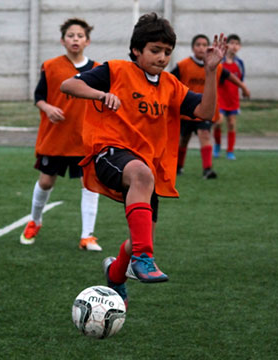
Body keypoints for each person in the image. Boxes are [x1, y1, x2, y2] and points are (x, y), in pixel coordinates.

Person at [60, 13, 227, 308]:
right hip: (110, 152)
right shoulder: (116, 70)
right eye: (155, 50)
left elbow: (205, 112)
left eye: (166, 52)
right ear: (137, 50)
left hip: (146, 167)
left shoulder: (171, 85)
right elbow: (69, 86)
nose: (162, 57)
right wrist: (101, 95)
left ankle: (116, 272)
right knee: (141, 177)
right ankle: (144, 257)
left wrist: (212, 72)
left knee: (137, 235)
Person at [20, 18, 103, 251]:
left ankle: (87, 236)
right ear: (62, 40)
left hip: (84, 139)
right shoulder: (50, 66)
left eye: (79, 35)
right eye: (70, 35)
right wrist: (47, 108)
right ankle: (35, 221)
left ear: (87, 41)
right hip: (55, 137)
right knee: (46, 182)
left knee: (89, 184)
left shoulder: (98, 69)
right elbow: (39, 97)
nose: (75, 39)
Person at [171, 34, 247, 179]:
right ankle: (178, 167)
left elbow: (230, 76)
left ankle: (207, 169)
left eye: (204, 45)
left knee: (205, 135)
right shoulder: (183, 65)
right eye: (198, 45)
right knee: (183, 139)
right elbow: (169, 81)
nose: (201, 48)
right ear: (193, 48)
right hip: (186, 109)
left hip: (204, 109)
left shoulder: (215, 66)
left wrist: (243, 87)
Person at [213, 34, 250, 160]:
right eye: (232, 43)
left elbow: (241, 79)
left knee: (232, 124)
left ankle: (230, 151)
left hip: (233, 98)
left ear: (239, 47)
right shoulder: (220, 62)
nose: (234, 46)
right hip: (220, 98)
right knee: (218, 122)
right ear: (226, 45)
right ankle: (217, 145)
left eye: (237, 44)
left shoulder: (240, 63)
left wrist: (244, 90)